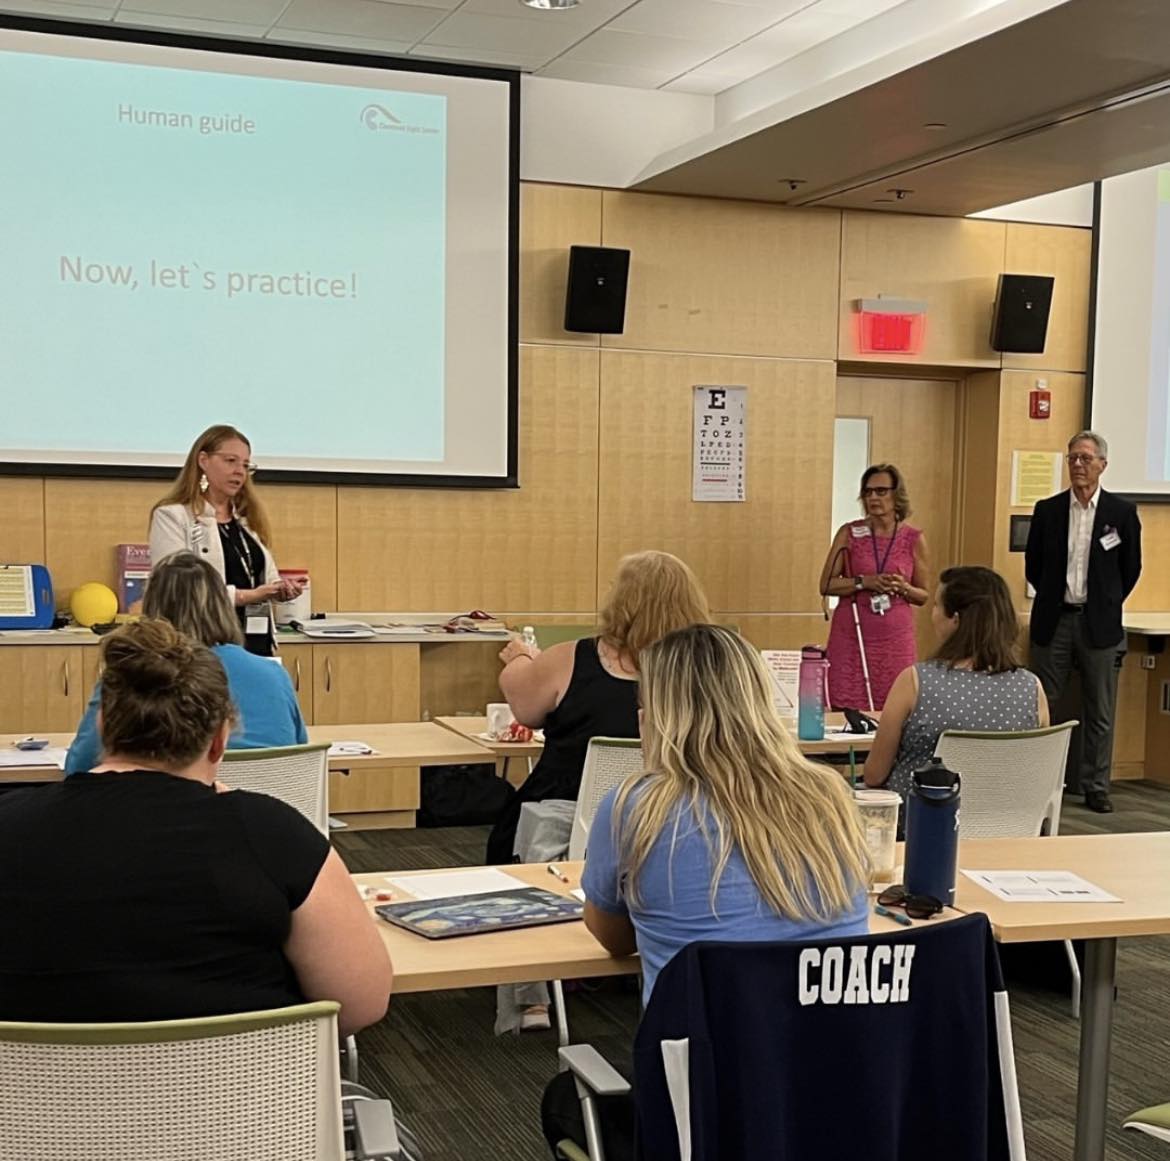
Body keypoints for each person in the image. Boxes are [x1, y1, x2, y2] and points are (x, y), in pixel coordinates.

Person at [543, 623, 869, 1157]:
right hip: (836, 1095)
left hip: (703, 1104)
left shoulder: (635, 809)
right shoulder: (831, 799)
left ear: (659, 717)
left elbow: (610, 937)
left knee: (564, 1099)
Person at [0, 618, 391, 1034]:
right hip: (243, 1096)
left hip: (33, 1097)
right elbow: (360, 1004)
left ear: (102, 725)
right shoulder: (271, 834)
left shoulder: (10, 822)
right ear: (220, 739)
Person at [485, 550, 711, 866]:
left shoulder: (570, 659)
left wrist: (522, 657)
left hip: (563, 827)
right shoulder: (710, 674)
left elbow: (525, 710)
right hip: (673, 827)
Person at [65, 552, 308, 775]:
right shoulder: (273, 674)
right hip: (267, 814)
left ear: (153, 609)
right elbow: (300, 757)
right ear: (222, 606)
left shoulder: (134, 673)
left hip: (170, 815)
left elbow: (80, 767)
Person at [863, 566, 1048, 814]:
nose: (932, 612)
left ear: (956, 620)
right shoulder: (1031, 689)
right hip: (1011, 827)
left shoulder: (916, 682)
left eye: (937, 605)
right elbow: (1039, 772)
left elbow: (875, 775)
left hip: (923, 832)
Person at [1024, 432, 1142, 814]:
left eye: (1086, 459)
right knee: (1046, 704)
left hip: (1100, 624)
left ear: (1102, 465)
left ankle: (1095, 785)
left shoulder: (1121, 514)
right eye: (1073, 457)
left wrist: (1105, 603)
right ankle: (1040, 783)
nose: (1078, 465)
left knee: (1100, 709)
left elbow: (1131, 569)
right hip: (1054, 620)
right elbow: (1035, 566)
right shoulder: (1048, 510)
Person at [149, 424, 303, 655]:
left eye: (245, 465)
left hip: (256, 644)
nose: (239, 471)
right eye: (231, 461)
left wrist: (281, 589)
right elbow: (178, 590)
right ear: (203, 460)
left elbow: (263, 578)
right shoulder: (173, 516)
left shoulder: (248, 521)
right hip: (201, 648)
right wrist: (247, 596)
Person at [819, 463, 929, 711]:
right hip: (852, 634)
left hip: (895, 638)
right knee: (845, 703)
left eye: (881, 491)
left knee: (896, 705)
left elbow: (923, 595)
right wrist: (863, 582)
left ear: (896, 494)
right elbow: (825, 584)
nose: (873, 498)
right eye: (868, 492)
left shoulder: (913, 538)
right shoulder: (848, 533)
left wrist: (903, 588)